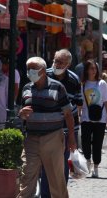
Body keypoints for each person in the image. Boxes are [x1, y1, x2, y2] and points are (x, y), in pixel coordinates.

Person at [17, 57, 77, 198]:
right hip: (31, 139)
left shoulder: (57, 87)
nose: (29, 72)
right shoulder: (26, 88)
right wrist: (21, 114)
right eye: (28, 69)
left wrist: (72, 139)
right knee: (27, 176)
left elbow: (68, 115)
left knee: (56, 179)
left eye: (32, 69)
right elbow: (22, 112)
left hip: (53, 138)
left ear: (42, 71)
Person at [40, 49, 82, 197]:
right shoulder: (44, 75)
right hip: (47, 128)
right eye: (55, 60)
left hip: (66, 129)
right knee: (46, 165)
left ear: (68, 64)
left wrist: (73, 135)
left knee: (62, 165)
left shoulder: (74, 80)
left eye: (61, 62)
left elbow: (78, 105)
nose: (57, 64)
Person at [80, 59, 107, 177]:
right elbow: (80, 102)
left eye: (95, 68)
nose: (93, 70)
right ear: (87, 70)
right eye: (91, 68)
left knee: (97, 143)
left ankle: (96, 167)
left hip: (101, 117)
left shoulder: (102, 83)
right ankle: (88, 160)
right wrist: (78, 115)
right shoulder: (83, 84)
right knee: (85, 142)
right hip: (86, 117)